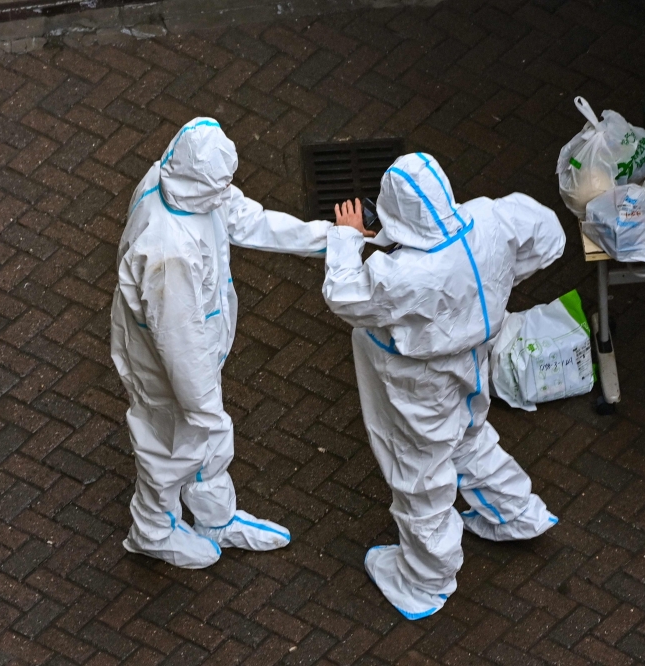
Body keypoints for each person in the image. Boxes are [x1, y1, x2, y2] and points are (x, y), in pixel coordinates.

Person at [322, 153, 566, 619]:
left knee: (419, 470)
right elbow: (549, 236)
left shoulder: (403, 274)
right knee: (469, 436)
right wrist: (505, 279)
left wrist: (345, 238)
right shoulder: (489, 217)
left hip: (419, 383)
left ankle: (426, 580)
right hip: (475, 360)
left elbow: (345, 296)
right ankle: (515, 513)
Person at [111, 117, 338, 568]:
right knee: (170, 444)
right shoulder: (167, 252)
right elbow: (179, 344)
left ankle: (213, 517)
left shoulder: (177, 181)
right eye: (220, 187)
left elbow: (245, 218)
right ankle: (152, 530)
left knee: (201, 439)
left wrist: (329, 240)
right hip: (168, 366)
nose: (227, 194)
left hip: (191, 353)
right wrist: (205, 409)